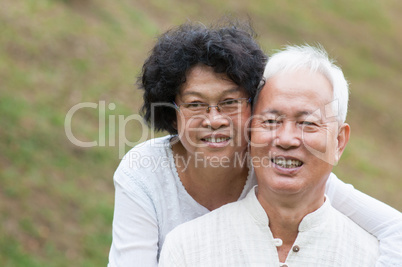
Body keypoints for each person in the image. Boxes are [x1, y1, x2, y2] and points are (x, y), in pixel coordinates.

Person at [108, 20, 402, 267]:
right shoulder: (144, 174)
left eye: (229, 102)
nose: (214, 120)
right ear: (173, 115)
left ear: (252, 107)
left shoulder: (275, 162)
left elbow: (394, 229)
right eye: (196, 104)